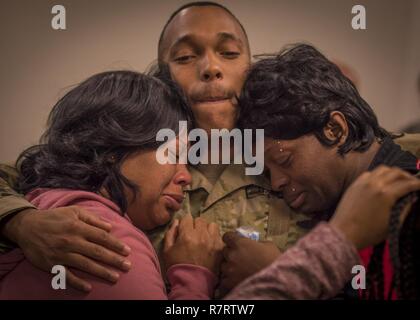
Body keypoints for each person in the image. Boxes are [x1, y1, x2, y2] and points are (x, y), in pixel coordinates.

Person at [0, 1, 419, 293]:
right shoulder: (132, 158)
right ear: (162, 79)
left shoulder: (300, 149)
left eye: (229, 52)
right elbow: (28, 173)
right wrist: (20, 223)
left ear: (249, 70)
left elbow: (381, 150)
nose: (211, 67)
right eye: (184, 58)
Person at [0, 71, 223, 299]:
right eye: (174, 154)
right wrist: (193, 278)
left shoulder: (44, 203)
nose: (186, 177)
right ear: (112, 149)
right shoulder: (102, 237)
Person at [221, 44, 420, 299]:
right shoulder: (330, 206)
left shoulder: (409, 208)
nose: (277, 183)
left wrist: (279, 274)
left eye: (284, 159)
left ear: (335, 129)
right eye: (268, 173)